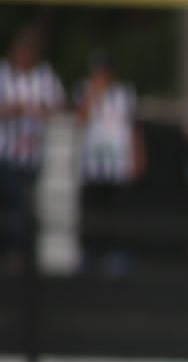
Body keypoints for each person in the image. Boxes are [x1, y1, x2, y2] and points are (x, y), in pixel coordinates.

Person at [0, 27, 64, 272]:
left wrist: (38, 110)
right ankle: (14, 250)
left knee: (26, 205)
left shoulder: (45, 77)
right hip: (5, 153)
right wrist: (11, 110)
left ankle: (24, 252)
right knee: (12, 202)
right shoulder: (3, 74)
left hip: (34, 154)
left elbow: (58, 107)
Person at [75, 52, 144, 276]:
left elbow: (134, 127)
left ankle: (117, 255)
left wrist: (138, 156)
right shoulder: (84, 90)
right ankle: (90, 254)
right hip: (92, 165)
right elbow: (80, 119)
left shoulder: (125, 94)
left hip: (118, 164)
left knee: (117, 211)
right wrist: (94, 93)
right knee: (92, 210)